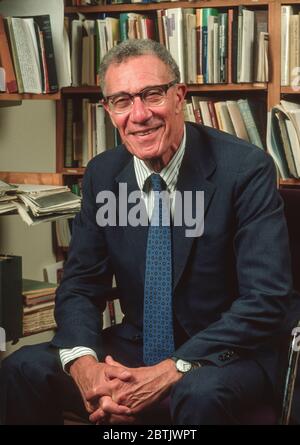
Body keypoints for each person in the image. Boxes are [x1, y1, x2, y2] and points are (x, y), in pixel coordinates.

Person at [0, 39, 294, 425]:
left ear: (179, 96)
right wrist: (86, 366)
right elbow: (81, 285)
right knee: (22, 367)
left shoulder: (245, 170)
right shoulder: (103, 175)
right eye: (121, 101)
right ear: (108, 110)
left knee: (198, 393)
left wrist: (172, 369)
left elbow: (266, 299)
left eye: (152, 95)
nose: (139, 115)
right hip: (135, 344)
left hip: (227, 351)